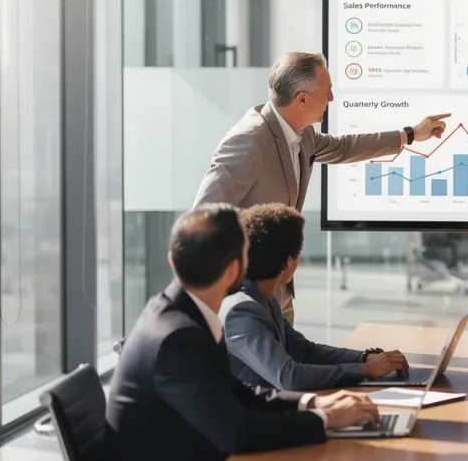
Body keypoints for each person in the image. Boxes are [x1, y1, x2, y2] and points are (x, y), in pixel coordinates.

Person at [96, 204, 378, 461]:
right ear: (235, 268)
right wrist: (323, 420)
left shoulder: (179, 312)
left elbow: (238, 393)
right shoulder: (178, 336)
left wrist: (312, 402)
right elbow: (237, 433)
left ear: (172, 260)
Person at [192, 51, 451, 324]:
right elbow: (203, 218)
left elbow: (344, 148)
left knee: (289, 348)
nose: (332, 99)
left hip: (278, 288)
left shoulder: (301, 132)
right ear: (302, 99)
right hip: (246, 293)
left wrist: (411, 134)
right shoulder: (250, 140)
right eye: (327, 92)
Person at [223, 203, 410, 391]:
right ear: (288, 261)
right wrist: (367, 370)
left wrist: (364, 358)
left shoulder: (265, 300)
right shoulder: (242, 310)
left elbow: (305, 351)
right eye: (298, 254)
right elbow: (289, 377)